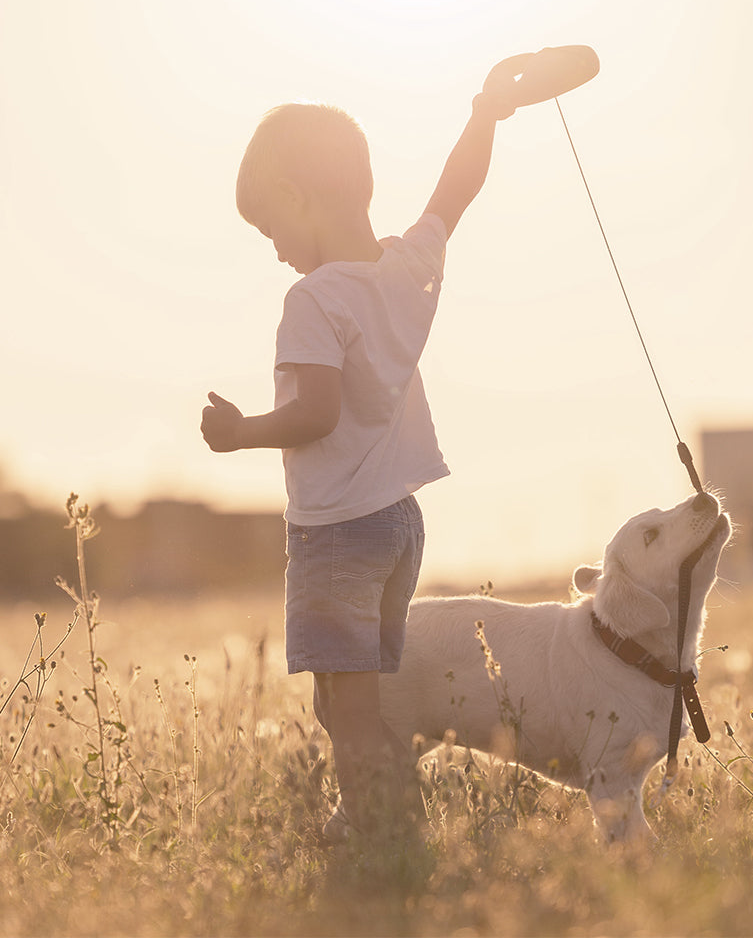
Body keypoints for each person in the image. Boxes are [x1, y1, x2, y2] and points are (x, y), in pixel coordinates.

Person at [199, 61, 540, 841]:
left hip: (339, 533)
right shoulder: (403, 270)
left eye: (270, 230)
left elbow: (315, 413)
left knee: (343, 705)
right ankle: (383, 814)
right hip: (399, 526)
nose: (276, 250)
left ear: (295, 197)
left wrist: (242, 431)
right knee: (360, 694)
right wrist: (486, 111)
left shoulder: (313, 299)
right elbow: (456, 191)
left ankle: (381, 832)